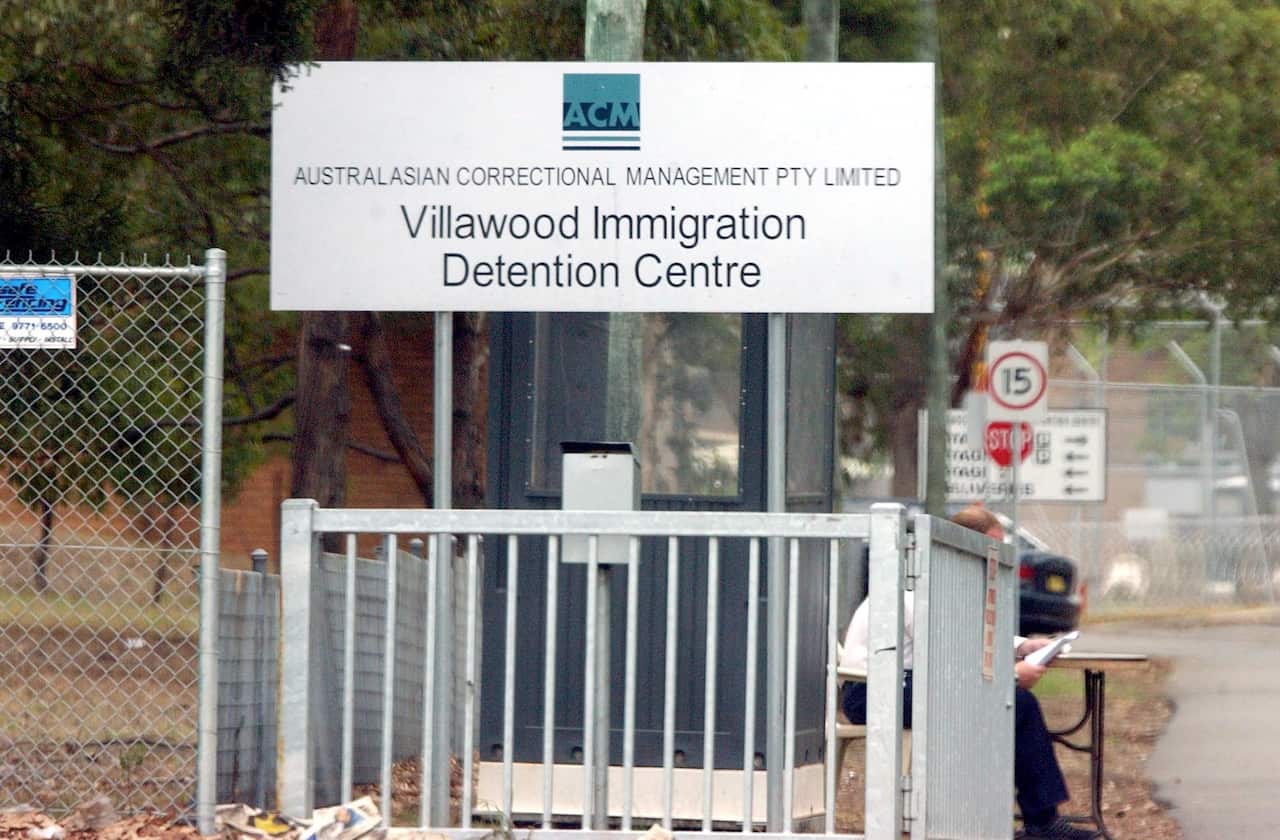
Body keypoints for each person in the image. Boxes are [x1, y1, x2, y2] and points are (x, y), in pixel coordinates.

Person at [839, 503, 1096, 840]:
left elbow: (964, 640)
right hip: (873, 690)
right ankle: (1040, 823)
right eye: (992, 547)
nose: (999, 557)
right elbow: (954, 659)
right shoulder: (922, 585)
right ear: (962, 546)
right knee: (1015, 702)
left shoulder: (944, 578)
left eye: (1003, 548)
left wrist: (1022, 647)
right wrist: (1013, 675)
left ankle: (1037, 821)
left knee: (1016, 704)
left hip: (911, 683)